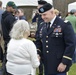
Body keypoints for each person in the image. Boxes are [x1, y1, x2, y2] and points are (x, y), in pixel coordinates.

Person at [36, 3, 75, 75]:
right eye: (41, 15)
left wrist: (64, 62)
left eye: (44, 14)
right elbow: (39, 41)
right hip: (47, 64)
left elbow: (71, 44)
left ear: (52, 12)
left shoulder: (64, 24)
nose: (42, 17)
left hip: (59, 65)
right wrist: (38, 53)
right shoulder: (42, 25)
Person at [1, 1, 17, 75]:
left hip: (5, 39)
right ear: (8, 7)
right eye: (13, 8)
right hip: (11, 40)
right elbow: (15, 31)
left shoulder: (3, 16)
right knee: (9, 60)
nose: (14, 9)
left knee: (6, 59)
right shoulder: (10, 18)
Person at [35, 0, 47, 75]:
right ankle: (40, 72)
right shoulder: (39, 16)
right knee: (40, 56)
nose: (37, 7)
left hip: (44, 39)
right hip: (39, 39)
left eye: (39, 6)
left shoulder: (44, 16)